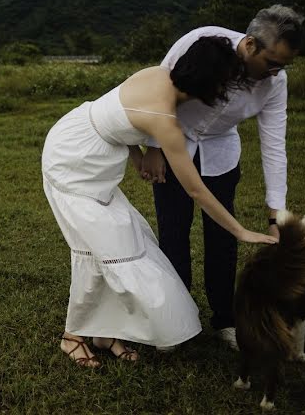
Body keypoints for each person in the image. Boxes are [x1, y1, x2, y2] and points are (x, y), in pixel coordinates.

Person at [42, 36, 278, 368]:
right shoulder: (164, 120)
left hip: (95, 149)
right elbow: (195, 190)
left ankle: (103, 332)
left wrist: (137, 154)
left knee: (120, 241)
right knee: (98, 249)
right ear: (209, 83)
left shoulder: (157, 75)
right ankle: (73, 336)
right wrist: (239, 231)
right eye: (226, 84)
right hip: (72, 159)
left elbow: (114, 114)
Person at [140, 5, 305, 351]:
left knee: (223, 237)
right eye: (272, 63)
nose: (276, 73)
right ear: (249, 45)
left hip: (220, 155)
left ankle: (224, 318)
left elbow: (274, 145)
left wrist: (276, 213)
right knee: (173, 233)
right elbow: (158, 89)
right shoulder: (199, 41)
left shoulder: (276, 83)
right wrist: (152, 145)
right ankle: (175, 319)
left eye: (284, 66)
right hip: (173, 142)